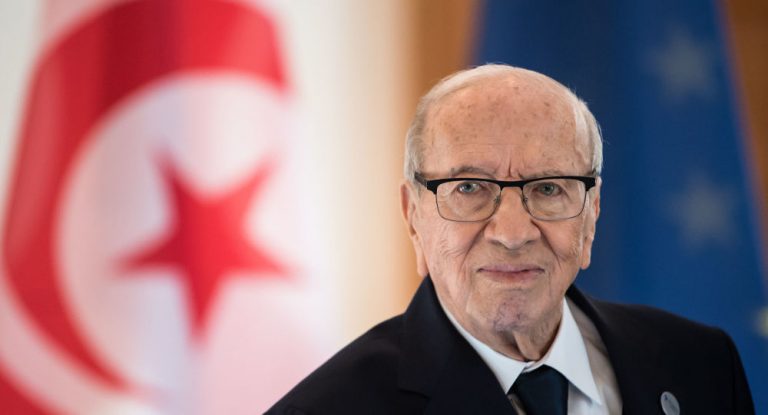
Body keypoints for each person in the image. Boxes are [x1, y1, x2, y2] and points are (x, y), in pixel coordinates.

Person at [266, 64, 754, 414]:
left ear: (591, 214)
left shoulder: (703, 366)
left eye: (549, 188)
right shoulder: (329, 407)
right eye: (469, 188)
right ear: (414, 216)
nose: (513, 234)